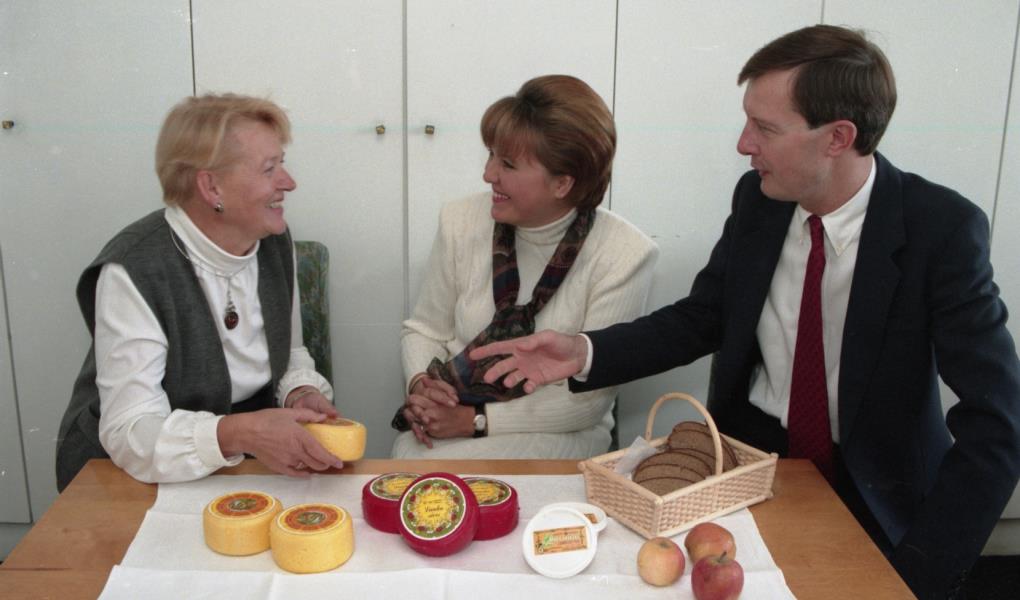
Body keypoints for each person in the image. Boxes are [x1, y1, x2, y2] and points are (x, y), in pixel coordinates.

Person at [472, 26, 1020, 599]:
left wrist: (917, 579)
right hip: (749, 463)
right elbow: (703, 317)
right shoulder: (759, 200)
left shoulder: (941, 230)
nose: (742, 144)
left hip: (878, 490)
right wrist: (584, 351)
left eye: (765, 127)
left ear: (838, 137)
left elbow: (997, 425)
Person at [56, 93, 342, 491]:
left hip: (239, 460)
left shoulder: (273, 239)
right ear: (211, 187)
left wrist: (300, 390)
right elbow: (130, 428)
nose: (288, 182)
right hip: (126, 470)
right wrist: (239, 434)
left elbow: (289, 352)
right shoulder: (134, 267)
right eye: (269, 169)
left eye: (282, 163)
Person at [391, 75, 658, 459]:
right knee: (408, 458)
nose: (488, 174)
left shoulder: (625, 254)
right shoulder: (460, 221)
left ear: (562, 183)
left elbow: (589, 400)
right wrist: (422, 387)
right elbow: (424, 330)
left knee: (427, 470)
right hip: (449, 418)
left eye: (508, 164)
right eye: (490, 154)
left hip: (559, 433)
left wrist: (475, 421)